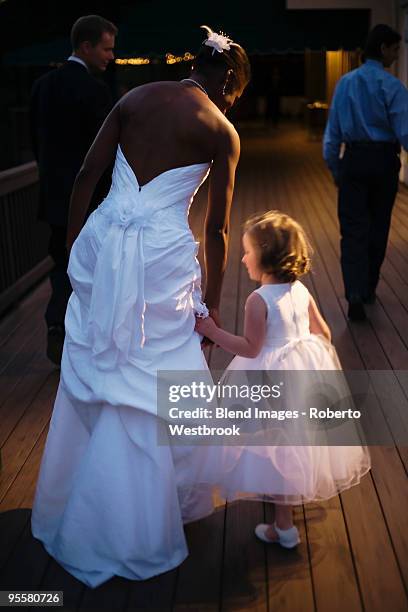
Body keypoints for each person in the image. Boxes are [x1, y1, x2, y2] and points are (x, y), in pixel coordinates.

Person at [31, 26, 251, 588]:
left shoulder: (135, 97)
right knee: (156, 374)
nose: (233, 101)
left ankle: (81, 501)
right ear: (226, 77)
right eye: (236, 89)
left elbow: (87, 175)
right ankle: (137, 516)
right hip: (161, 257)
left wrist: (79, 243)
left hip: (107, 240)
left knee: (99, 365)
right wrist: (211, 304)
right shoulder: (221, 130)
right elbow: (220, 230)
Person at [195, 211, 371, 547]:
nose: (243, 257)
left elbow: (250, 348)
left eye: (247, 251)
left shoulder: (257, 300)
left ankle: (283, 526)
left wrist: (212, 332)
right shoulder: (300, 290)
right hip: (301, 374)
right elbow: (325, 333)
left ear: (265, 257)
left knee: (272, 444)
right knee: (294, 443)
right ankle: (285, 504)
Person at [30, 15, 117, 364]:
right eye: (107, 48)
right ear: (86, 46)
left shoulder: (42, 86)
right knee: (91, 270)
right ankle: (84, 340)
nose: (111, 56)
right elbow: (104, 156)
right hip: (90, 201)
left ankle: (56, 328)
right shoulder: (95, 91)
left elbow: (36, 143)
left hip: (52, 198)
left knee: (60, 264)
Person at [323, 24, 408, 322]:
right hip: (384, 161)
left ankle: (354, 292)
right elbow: (405, 133)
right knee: (378, 226)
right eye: (395, 49)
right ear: (383, 48)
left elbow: (332, 133)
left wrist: (335, 166)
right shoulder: (393, 87)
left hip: (354, 160)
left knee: (353, 229)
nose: (397, 55)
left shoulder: (345, 83)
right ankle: (369, 287)